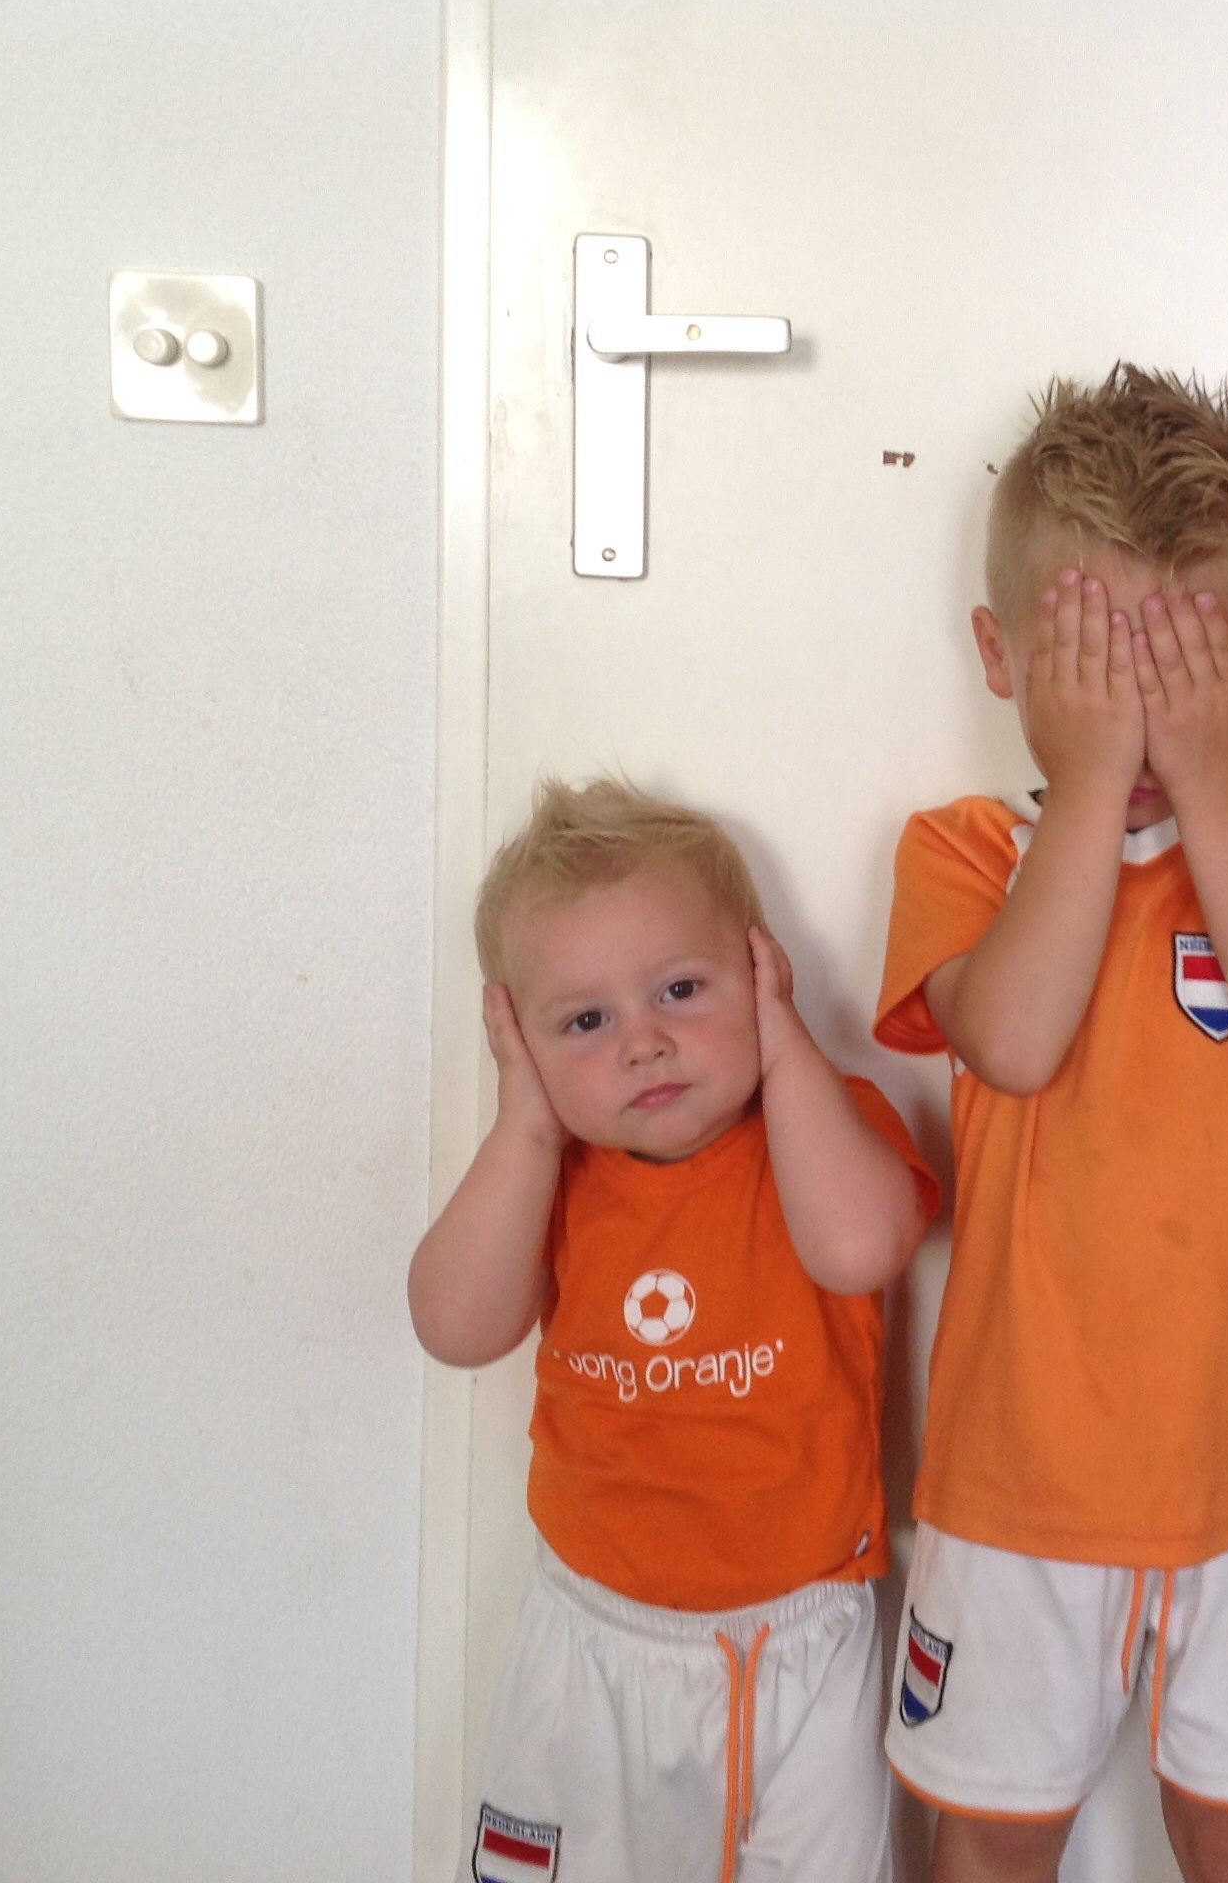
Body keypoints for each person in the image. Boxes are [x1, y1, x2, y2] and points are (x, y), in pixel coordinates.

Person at [875, 365, 1228, 1883]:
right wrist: (1097, 777)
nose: (1139, 703)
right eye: (1096, 660)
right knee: (990, 1829)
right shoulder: (965, 853)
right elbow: (1014, 1040)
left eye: (1178, 662)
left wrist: (1210, 782)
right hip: (1020, 1470)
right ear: (1003, 658)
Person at [409, 777, 939, 1883]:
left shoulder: (825, 1127)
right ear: (522, 1041)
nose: (644, 1044)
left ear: (761, 972)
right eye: (585, 1022)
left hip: (805, 1633)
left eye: (681, 990)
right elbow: (455, 1326)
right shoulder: (555, 1173)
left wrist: (786, 1050)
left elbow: (859, 1248)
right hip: (595, 1640)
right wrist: (526, 1123)